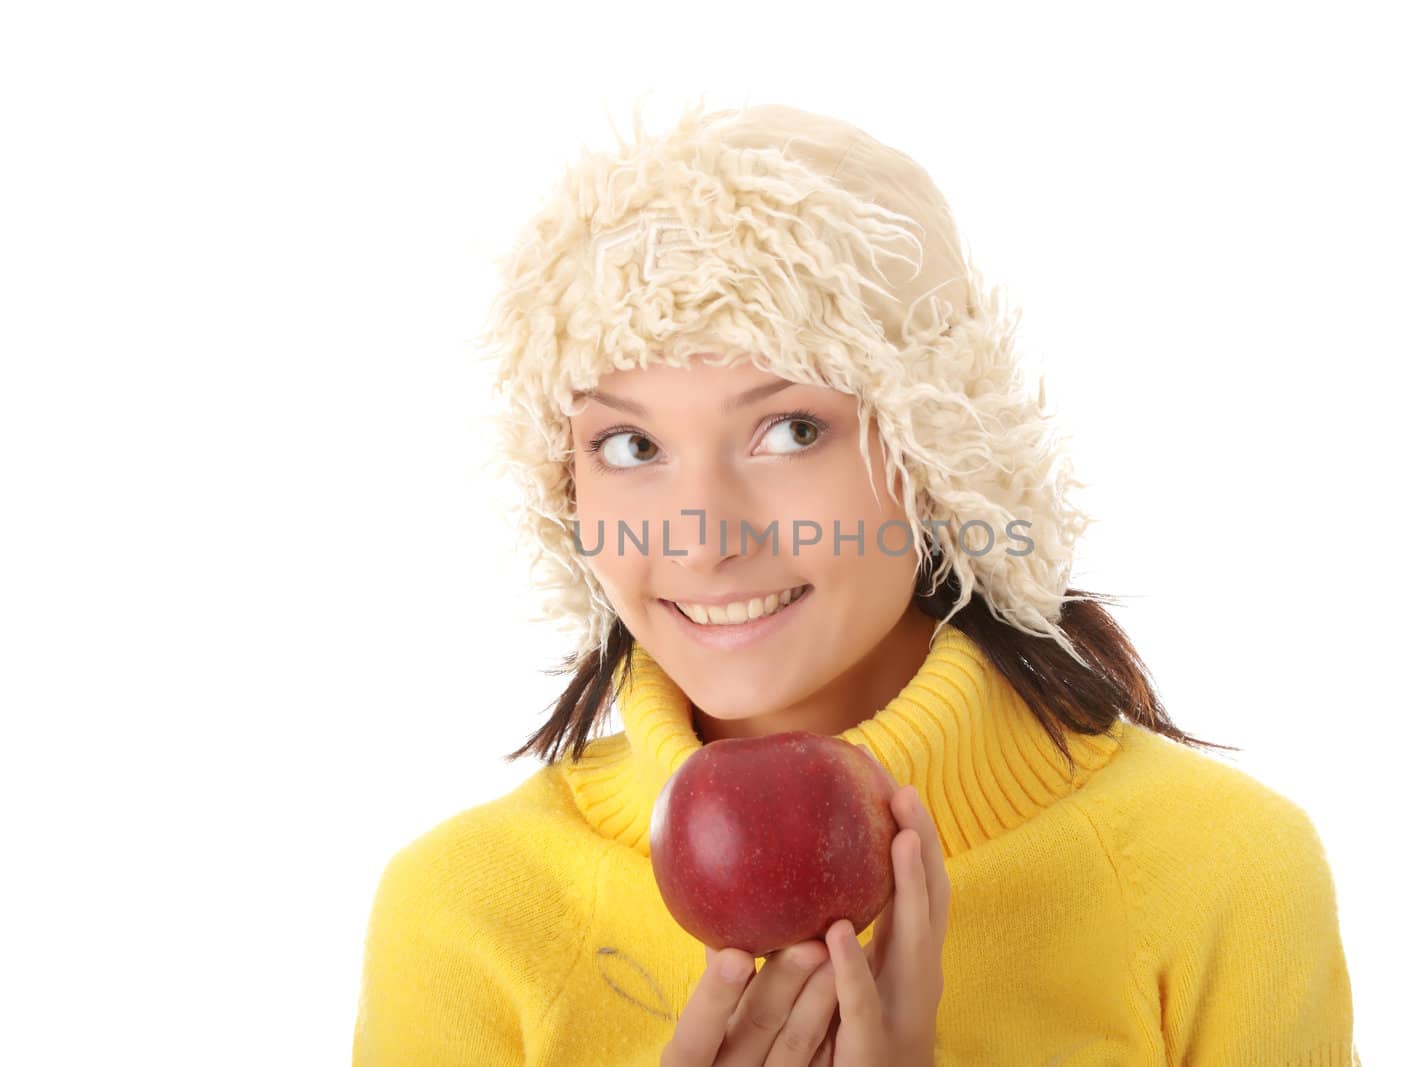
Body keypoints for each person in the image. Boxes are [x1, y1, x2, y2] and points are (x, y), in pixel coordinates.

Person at [350, 100, 1360, 1066]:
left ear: (934, 454)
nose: (705, 540)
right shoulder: (466, 911)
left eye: (790, 429)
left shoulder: (1217, 869)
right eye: (630, 442)